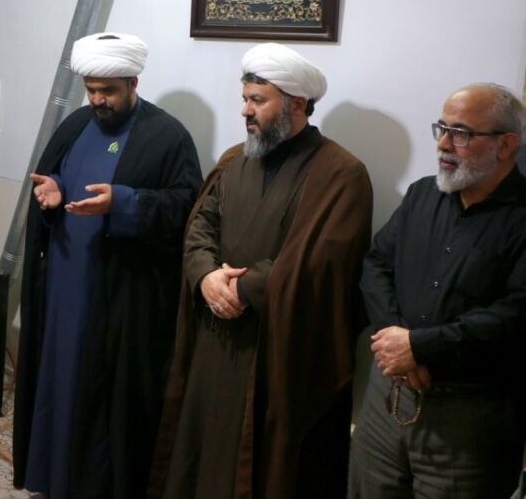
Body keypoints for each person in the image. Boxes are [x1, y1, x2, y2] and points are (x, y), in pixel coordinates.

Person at [150, 42, 373, 499]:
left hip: (276, 346)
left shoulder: (342, 174)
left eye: (257, 100)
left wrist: (242, 290)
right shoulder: (235, 159)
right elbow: (200, 227)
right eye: (245, 98)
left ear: (296, 104)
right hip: (215, 335)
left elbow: (318, 262)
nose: (245, 111)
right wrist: (206, 277)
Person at [12, 33, 203, 499]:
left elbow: (186, 208)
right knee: (58, 382)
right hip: (64, 287)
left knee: (100, 397)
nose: (97, 100)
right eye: (91, 89)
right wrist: (53, 191)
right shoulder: (77, 124)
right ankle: (52, 478)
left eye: (108, 91)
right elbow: (59, 177)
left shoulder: (167, 136)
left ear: (133, 83)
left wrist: (124, 202)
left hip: (119, 299)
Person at [349, 83, 526, 498]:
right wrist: (396, 343)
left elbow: (516, 312)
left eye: (460, 133)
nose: (444, 144)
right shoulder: (422, 194)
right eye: (441, 128)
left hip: (470, 416)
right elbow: (377, 265)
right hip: (387, 400)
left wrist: (421, 347)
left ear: (505, 145)